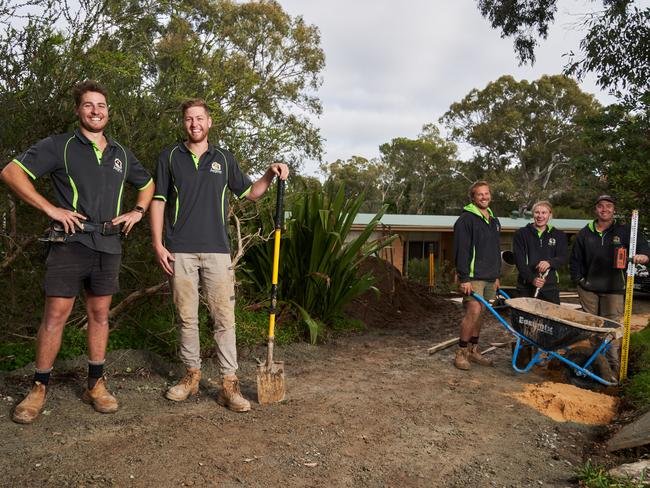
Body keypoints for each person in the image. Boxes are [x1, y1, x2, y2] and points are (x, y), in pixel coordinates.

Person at [1, 80, 154, 424]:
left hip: (109, 243)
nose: (96, 111)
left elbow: (147, 185)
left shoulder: (121, 154)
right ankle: (39, 387)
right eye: (89, 105)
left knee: (100, 315)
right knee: (55, 316)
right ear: (78, 110)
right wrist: (50, 209)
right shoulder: (60, 146)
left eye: (101, 105)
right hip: (70, 243)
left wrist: (138, 212)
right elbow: (11, 173)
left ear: (108, 112)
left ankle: (95, 384)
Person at [150, 99, 289, 412]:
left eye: (199, 118)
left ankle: (229, 384)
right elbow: (158, 201)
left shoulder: (224, 159)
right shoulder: (170, 156)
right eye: (189, 119)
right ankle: (191, 376)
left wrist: (269, 173)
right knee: (187, 318)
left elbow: (251, 193)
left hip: (217, 251)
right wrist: (158, 244)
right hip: (179, 250)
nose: (194, 124)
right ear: (183, 123)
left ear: (209, 122)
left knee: (224, 319)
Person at [570, 194, 650, 371]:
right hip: (588, 289)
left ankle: (613, 369)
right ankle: (597, 367)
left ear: (614, 209)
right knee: (592, 327)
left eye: (608, 206)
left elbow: (644, 246)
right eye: (600, 206)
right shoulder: (585, 232)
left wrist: (644, 255)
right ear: (595, 209)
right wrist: (580, 280)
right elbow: (575, 261)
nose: (604, 209)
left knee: (611, 329)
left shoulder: (625, 230)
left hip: (614, 288)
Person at [452, 180, 501, 371]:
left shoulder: (494, 220)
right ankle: (461, 352)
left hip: (490, 276)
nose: (484, 197)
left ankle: (473, 350)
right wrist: (464, 277)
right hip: (473, 276)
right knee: (473, 312)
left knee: (482, 315)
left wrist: (496, 275)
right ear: (473, 197)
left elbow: (495, 249)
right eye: (480, 194)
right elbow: (461, 250)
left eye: (486, 193)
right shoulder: (466, 219)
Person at [513, 201, 568, 304]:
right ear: (533, 214)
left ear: (550, 215)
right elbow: (519, 261)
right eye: (537, 212)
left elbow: (563, 257)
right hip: (526, 286)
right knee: (526, 319)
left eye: (544, 213)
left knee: (551, 318)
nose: (540, 216)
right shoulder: (521, 234)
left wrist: (550, 262)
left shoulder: (559, 235)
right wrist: (532, 279)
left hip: (550, 287)